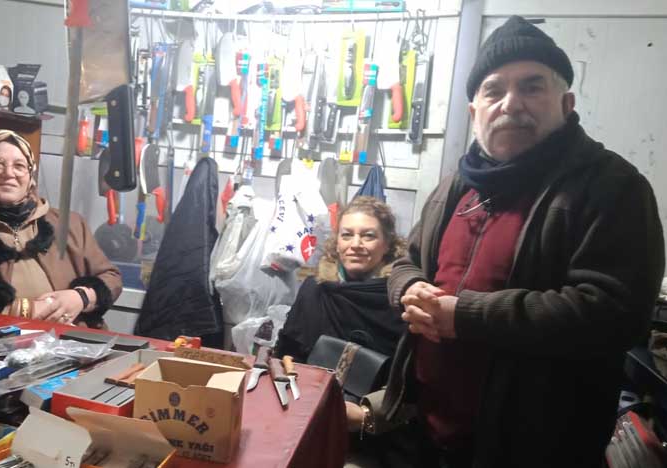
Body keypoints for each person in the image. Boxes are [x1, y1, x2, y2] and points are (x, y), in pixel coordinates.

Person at [352, 16, 664, 468]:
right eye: (494, 91)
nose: (511, 103)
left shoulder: (612, 187)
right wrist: (409, 287)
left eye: (532, 87)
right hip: (424, 431)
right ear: (474, 111)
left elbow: (615, 314)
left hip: (532, 448)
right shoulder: (455, 186)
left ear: (567, 103)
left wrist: (466, 316)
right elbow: (407, 260)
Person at [0, 129, 122, 327]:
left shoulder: (70, 223)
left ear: (30, 174)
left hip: (74, 338)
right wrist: (22, 309)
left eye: (19, 166)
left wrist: (81, 297)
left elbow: (111, 277)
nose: (9, 174)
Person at [274, 196, 406, 363]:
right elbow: (287, 354)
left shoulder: (400, 299)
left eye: (368, 236)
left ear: (387, 244)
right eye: (347, 235)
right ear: (337, 243)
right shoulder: (315, 290)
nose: (355, 244)